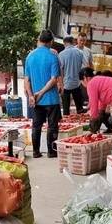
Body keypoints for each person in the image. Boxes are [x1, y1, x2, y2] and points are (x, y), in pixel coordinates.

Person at [24, 29, 62, 158]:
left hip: (35, 100)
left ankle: (35, 152)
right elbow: (53, 79)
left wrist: (31, 95)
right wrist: (41, 92)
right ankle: (51, 152)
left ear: (39, 40)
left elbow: (27, 80)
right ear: (51, 41)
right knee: (52, 126)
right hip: (51, 99)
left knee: (36, 126)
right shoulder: (53, 56)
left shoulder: (30, 56)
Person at [57, 35, 85, 116]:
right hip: (77, 83)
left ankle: (67, 124)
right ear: (73, 42)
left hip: (66, 85)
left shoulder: (61, 54)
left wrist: (60, 85)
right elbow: (81, 67)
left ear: (64, 43)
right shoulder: (80, 52)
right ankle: (81, 125)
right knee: (80, 109)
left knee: (66, 110)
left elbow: (60, 71)